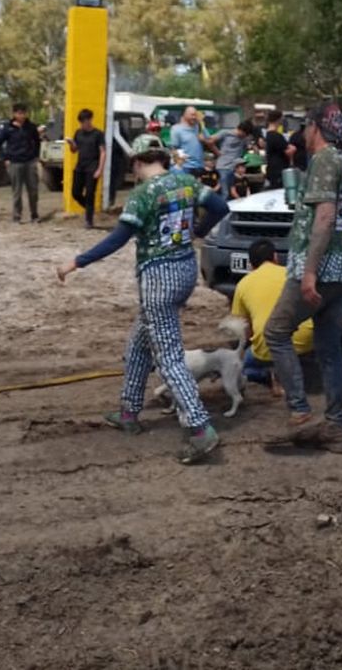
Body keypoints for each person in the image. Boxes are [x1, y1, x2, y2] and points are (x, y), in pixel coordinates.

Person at [55, 144, 230, 465]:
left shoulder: (143, 195)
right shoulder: (187, 182)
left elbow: (117, 238)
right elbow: (221, 206)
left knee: (169, 357)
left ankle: (200, 427)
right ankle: (129, 410)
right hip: (185, 272)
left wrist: (76, 262)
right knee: (138, 342)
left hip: (158, 280)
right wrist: (197, 232)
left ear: (137, 163)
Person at [264, 100, 342, 454]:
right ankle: (336, 427)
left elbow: (324, 218)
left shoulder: (323, 161)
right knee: (329, 347)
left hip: (320, 268)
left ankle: (300, 409)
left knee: (276, 331)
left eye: (305, 126)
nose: (302, 133)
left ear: (315, 128)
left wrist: (308, 272)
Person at [230, 238, 314, 390]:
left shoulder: (243, 284)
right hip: (306, 341)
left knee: (242, 368)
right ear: (275, 257)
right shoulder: (293, 276)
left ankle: (268, 375)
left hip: (269, 345)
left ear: (250, 264)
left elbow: (244, 330)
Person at [0, 103, 43, 223]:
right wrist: (4, 158)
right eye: (19, 113)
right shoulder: (8, 128)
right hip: (15, 162)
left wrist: (36, 156)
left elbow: (37, 142)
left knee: (33, 190)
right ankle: (17, 216)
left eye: (24, 112)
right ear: (14, 114)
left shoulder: (31, 127)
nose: (22, 115)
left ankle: (34, 214)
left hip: (30, 162)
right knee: (17, 191)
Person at [66, 108, 107, 228]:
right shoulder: (78, 133)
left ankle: (89, 220)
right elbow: (74, 150)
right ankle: (89, 208)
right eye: (81, 122)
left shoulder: (98, 134)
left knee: (90, 193)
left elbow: (103, 152)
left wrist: (100, 169)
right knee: (75, 193)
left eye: (84, 121)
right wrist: (71, 144)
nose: (83, 124)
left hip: (92, 167)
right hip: (80, 167)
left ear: (89, 120)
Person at [211, 119, 257, 197]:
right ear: (240, 129)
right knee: (225, 192)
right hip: (224, 167)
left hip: (235, 169)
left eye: (246, 135)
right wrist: (217, 152)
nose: (244, 136)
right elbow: (210, 140)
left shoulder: (245, 139)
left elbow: (249, 147)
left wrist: (253, 147)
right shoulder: (225, 133)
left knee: (234, 192)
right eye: (244, 134)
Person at [169, 106, 209, 175]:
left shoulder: (199, 127)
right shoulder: (176, 129)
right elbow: (174, 148)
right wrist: (179, 163)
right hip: (185, 167)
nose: (194, 117)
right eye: (192, 115)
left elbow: (210, 140)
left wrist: (204, 139)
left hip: (199, 166)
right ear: (185, 115)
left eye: (195, 115)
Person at [263, 109, 291, 187]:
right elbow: (288, 150)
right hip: (279, 170)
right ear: (279, 119)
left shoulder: (267, 134)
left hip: (271, 168)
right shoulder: (276, 136)